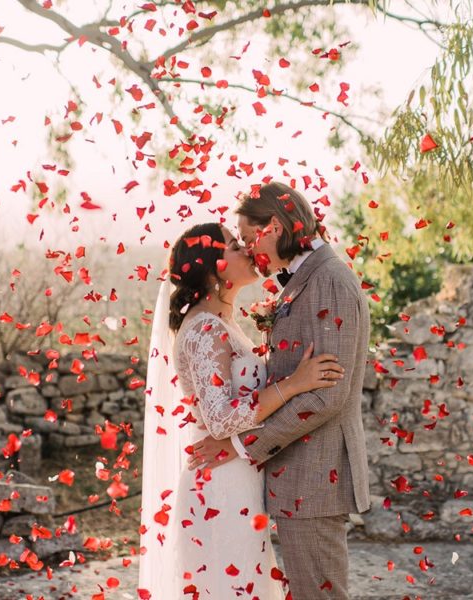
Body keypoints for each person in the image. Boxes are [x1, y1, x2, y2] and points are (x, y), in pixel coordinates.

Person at [138, 221, 345, 599]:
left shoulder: (224, 323)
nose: (247, 249)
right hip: (218, 486)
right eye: (235, 245)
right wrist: (295, 384)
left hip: (239, 478)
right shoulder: (203, 329)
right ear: (211, 265)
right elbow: (219, 420)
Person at [187, 182, 371, 599]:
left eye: (249, 238)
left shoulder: (328, 282)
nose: (250, 252)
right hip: (298, 476)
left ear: (272, 226)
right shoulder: (307, 279)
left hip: (315, 475)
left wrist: (241, 444)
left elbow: (327, 395)